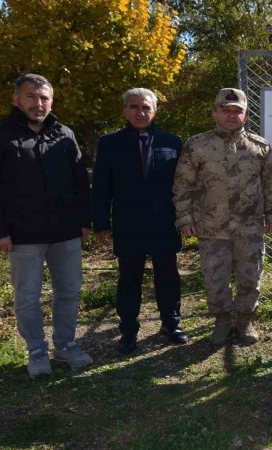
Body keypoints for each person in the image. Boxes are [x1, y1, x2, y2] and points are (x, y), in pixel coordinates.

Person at [0, 74, 93, 378]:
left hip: (65, 231)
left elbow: (80, 181)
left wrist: (85, 221)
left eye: (44, 98)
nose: (38, 103)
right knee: (27, 296)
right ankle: (37, 351)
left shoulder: (65, 134)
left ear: (51, 101)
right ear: (16, 100)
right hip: (23, 233)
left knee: (69, 291)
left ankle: (65, 344)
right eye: (31, 96)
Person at [173, 88, 272, 346]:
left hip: (249, 226)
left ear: (245, 116)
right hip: (211, 226)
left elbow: (271, 184)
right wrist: (185, 219)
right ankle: (221, 321)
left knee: (250, 276)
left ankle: (244, 321)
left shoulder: (260, 147)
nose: (232, 115)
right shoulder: (196, 146)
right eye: (226, 110)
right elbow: (182, 184)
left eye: (237, 111)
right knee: (215, 277)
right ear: (215, 113)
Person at [92, 88, 186, 355]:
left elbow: (183, 185)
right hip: (128, 223)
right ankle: (129, 331)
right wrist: (101, 224)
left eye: (146, 107)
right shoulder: (109, 143)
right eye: (134, 107)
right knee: (130, 278)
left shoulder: (172, 142)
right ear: (125, 110)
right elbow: (101, 187)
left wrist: (186, 218)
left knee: (168, 276)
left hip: (164, 223)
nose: (140, 112)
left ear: (155, 110)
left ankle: (171, 324)